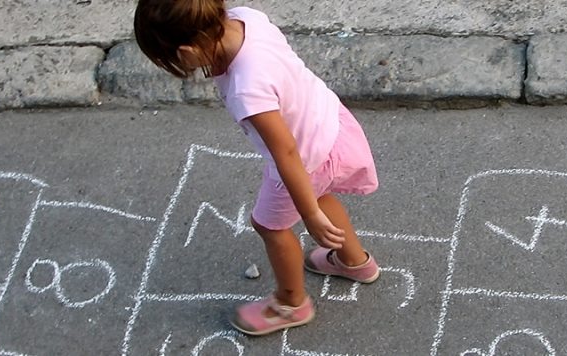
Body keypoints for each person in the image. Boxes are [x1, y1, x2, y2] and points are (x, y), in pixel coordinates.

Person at [133, 0, 383, 336]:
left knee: (269, 225)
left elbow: (287, 154)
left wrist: (307, 214)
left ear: (188, 50)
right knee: (319, 197)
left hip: (306, 158)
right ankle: (355, 262)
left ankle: (291, 303)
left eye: (176, 62)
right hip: (329, 124)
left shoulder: (247, 90)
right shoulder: (245, 18)